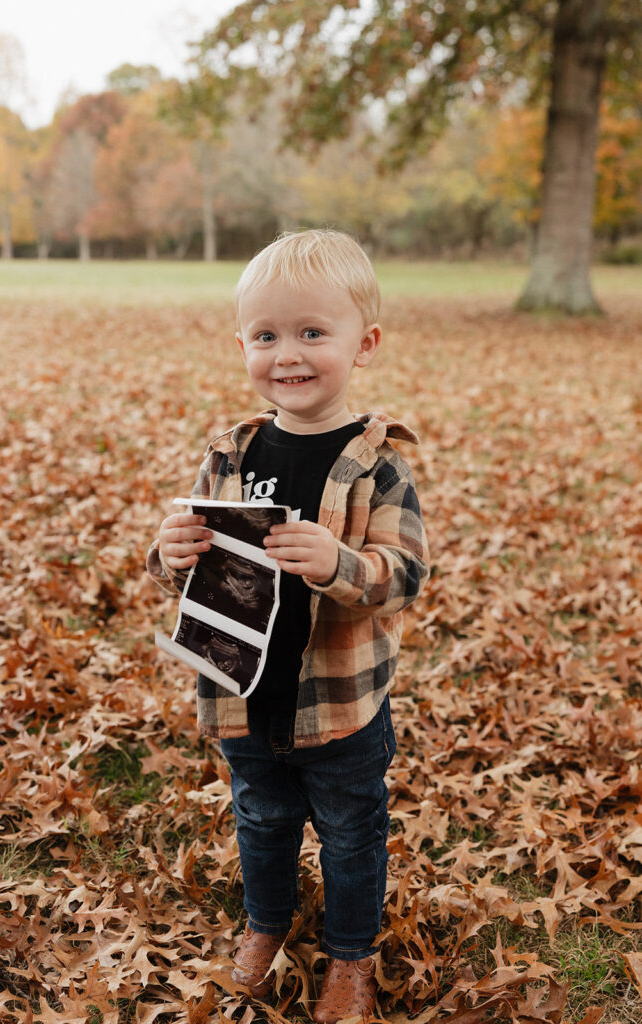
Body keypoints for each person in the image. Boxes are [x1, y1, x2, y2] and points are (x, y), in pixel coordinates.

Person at [146, 229, 429, 1023]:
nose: (287, 354)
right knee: (261, 821)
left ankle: (350, 958)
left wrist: (338, 561)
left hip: (339, 707)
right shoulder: (230, 452)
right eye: (266, 336)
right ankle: (266, 924)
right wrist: (169, 552)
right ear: (241, 344)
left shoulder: (377, 464)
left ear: (362, 344)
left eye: (312, 332)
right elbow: (180, 559)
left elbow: (403, 574)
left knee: (349, 835)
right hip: (246, 691)